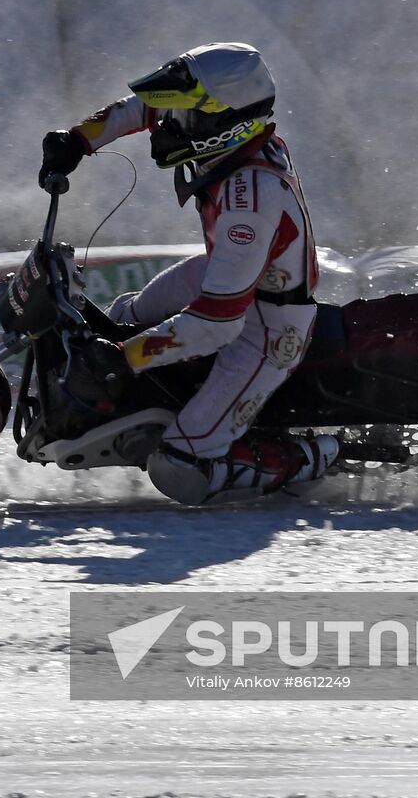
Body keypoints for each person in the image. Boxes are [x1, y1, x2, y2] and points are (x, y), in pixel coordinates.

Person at [37, 42, 340, 505]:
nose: (168, 124)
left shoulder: (250, 200)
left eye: (185, 116)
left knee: (180, 466)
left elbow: (216, 325)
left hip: (266, 331)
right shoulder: (234, 134)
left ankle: (322, 454)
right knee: (121, 318)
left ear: (224, 120)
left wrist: (126, 360)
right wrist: (78, 140)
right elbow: (142, 107)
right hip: (232, 278)